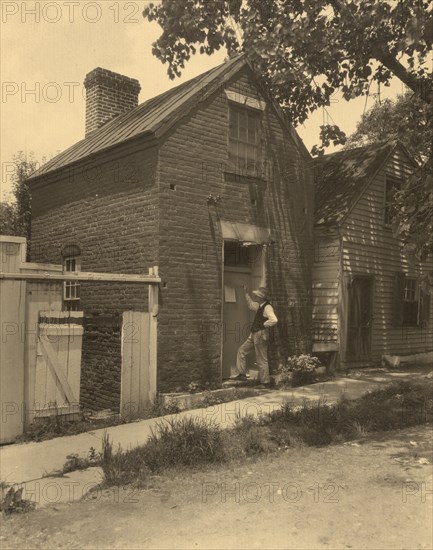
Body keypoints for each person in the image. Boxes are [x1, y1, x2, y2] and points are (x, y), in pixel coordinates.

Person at [232, 286, 278, 385]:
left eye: (257, 295)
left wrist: (265, 325)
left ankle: (265, 382)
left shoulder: (267, 307)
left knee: (262, 359)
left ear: (261, 297)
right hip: (254, 333)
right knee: (241, 351)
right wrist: (246, 294)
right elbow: (251, 305)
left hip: (261, 334)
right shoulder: (259, 306)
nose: (255, 297)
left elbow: (274, 320)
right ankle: (241, 374)